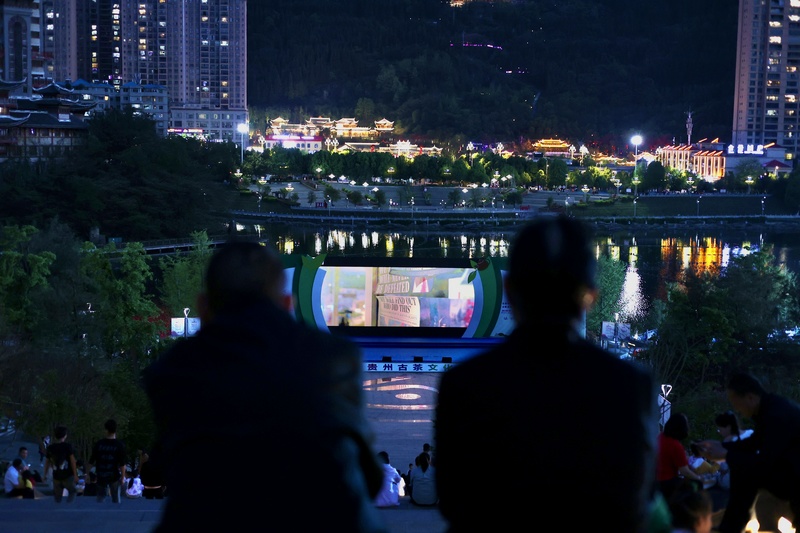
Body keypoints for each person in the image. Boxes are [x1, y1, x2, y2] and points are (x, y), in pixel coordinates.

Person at [143, 239, 386, 532]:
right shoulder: (336, 357)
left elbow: (157, 473)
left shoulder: (172, 369)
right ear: (287, 304)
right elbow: (371, 478)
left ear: (203, 308)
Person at [435, 216, 659, 532]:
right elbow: (634, 506)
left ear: (509, 290)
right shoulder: (630, 385)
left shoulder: (463, 384)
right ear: (591, 296)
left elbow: (451, 501)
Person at [699, 372, 800, 533]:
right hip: (790, 472)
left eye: (736, 403)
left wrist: (726, 455)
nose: (736, 409)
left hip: (794, 477)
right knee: (745, 469)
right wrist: (722, 447)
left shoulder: (776, 415)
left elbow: (765, 462)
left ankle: (731, 527)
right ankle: (731, 526)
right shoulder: (770, 409)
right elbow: (754, 443)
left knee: (746, 470)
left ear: (750, 398)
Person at [657, 413, 706, 502]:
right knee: (696, 485)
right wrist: (698, 478)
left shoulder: (660, 438)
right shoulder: (676, 446)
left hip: (655, 480)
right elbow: (685, 471)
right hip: (667, 482)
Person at [88, 419, 126, 503]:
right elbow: (122, 464)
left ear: (106, 429)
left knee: (100, 499)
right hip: (114, 475)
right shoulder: (119, 445)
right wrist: (123, 477)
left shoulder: (99, 444)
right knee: (116, 498)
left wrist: (87, 474)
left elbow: (91, 460)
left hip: (101, 474)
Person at [713, 410, 752, 491]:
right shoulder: (751, 432)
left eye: (720, 429)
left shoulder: (728, 443)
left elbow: (724, 469)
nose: (719, 432)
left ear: (728, 427)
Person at [43, 425, 79, 503]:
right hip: (67, 475)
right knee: (73, 491)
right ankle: (68, 505)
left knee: (57, 496)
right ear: (65, 436)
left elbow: (47, 462)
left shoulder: (50, 448)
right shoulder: (67, 446)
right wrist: (75, 474)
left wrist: (45, 475)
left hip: (56, 475)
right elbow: (72, 461)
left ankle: (58, 508)